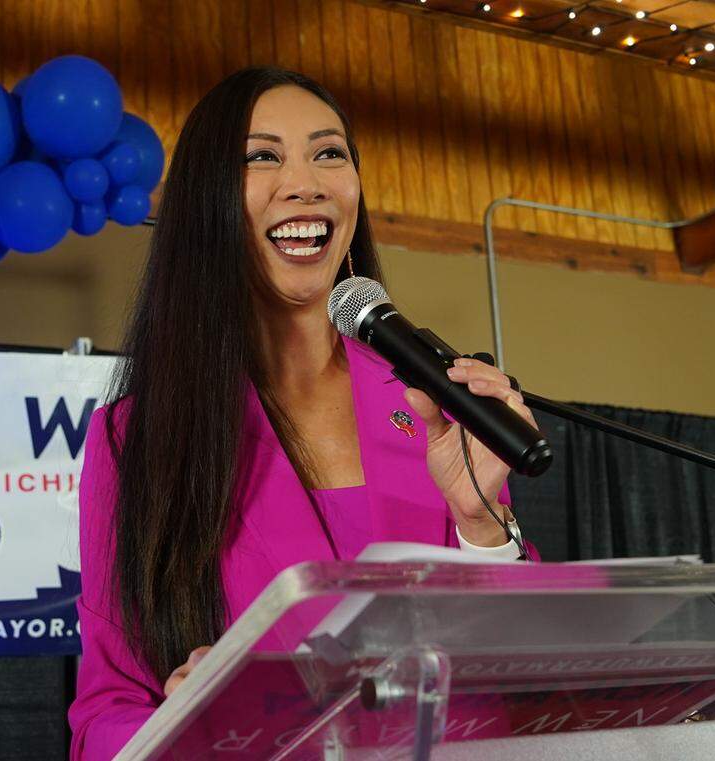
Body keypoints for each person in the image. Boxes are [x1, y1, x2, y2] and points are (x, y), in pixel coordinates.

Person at [68, 67, 538, 759]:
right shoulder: (131, 439)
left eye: (329, 153)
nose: (306, 183)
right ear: (208, 202)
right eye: (262, 156)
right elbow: (104, 714)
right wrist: (194, 727)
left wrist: (481, 527)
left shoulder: (438, 407)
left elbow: (522, 679)